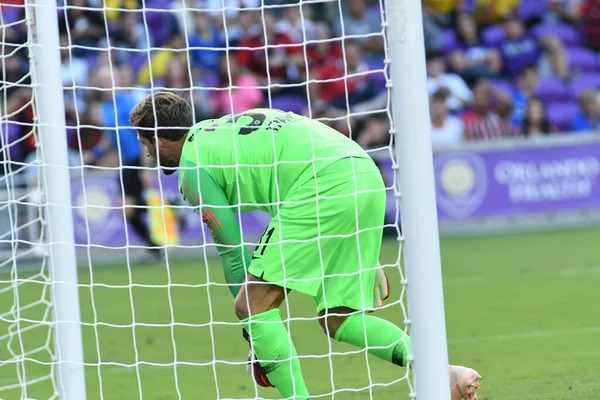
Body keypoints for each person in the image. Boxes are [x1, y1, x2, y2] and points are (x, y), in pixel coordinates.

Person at [129, 91, 482, 400]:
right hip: (363, 174)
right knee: (337, 319)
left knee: (251, 306)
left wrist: (253, 327)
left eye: (145, 144)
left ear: (159, 140)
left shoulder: (193, 166)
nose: (146, 154)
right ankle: (443, 372)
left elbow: (233, 250)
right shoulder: (224, 128)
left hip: (322, 187)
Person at [84, 66, 163, 263]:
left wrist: (147, 165)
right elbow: (110, 138)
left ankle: (158, 241)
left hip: (138, 159)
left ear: (117, 81)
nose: (106, 84)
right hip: (125, 162)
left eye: (109, 79)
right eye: (102, 80)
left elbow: (146, 133)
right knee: (126, 210)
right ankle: (156, 246)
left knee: (128, 208)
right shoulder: (104, 107)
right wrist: (93, 155)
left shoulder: (127, 103)